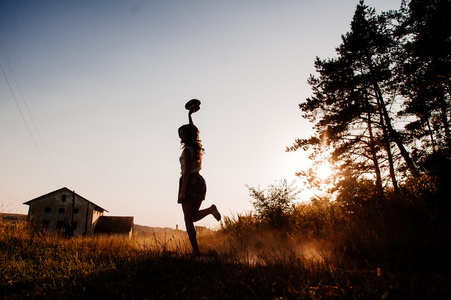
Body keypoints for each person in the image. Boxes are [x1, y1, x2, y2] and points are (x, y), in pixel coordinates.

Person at [178, 106, 221, 257]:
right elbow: (193, 131)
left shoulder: (186, 151)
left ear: (188, 136)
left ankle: (196, 251)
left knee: (188, 220)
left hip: (189, 181)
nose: (180, 137)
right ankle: (210, 210)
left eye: (182, 135)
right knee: (193, 216)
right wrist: (190, 115)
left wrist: (183, 192)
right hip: (200, 182)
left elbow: (187, 172)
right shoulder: (197, 149)